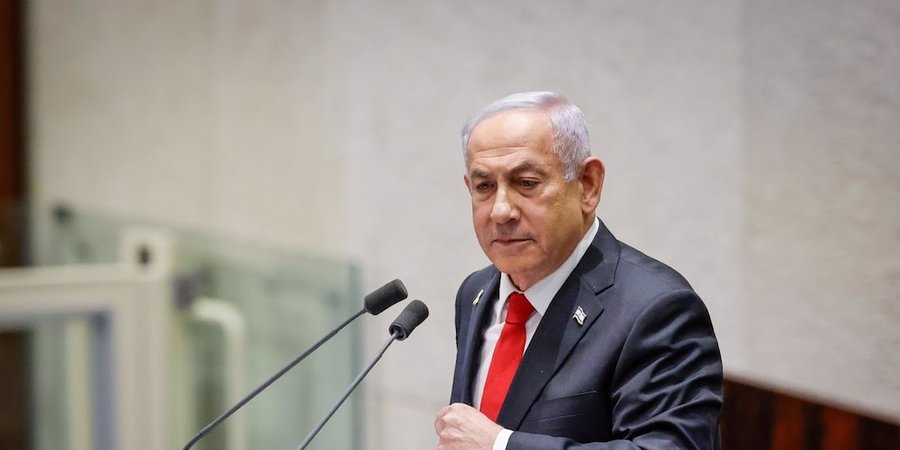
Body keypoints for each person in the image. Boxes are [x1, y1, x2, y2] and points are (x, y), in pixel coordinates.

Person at [434, 91, 723, 449]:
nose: (501, 210)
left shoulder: (656, 308)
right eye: (484, 187)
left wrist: (502, 446)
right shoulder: (476, 293)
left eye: (526, 183)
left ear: (588, 185)